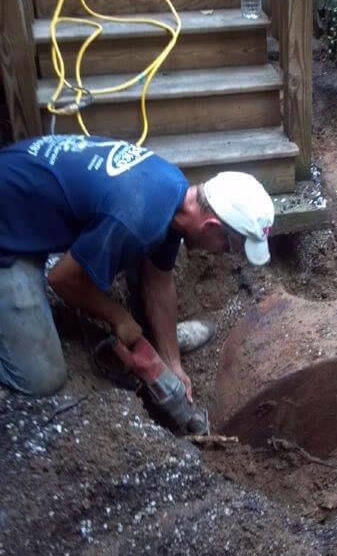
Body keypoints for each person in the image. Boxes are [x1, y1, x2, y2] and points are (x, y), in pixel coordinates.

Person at [0, 133, 274, 398]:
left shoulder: (173, 192)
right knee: (40, 379)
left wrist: (173, 365)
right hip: (7, 230)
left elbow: (159, 281)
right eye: (228, 246)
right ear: (211, 225)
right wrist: (119, 317)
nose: (222, 253)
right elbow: (62, 279)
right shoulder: (136, 220)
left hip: (24, 194)